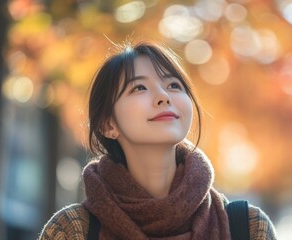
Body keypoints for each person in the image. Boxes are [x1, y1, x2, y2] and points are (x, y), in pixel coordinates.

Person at [38, 40, 277, 239]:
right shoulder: (73, 230)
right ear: (108, 124)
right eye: (139, 88)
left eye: (173, 85)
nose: (163, 96)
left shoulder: (247, 227)